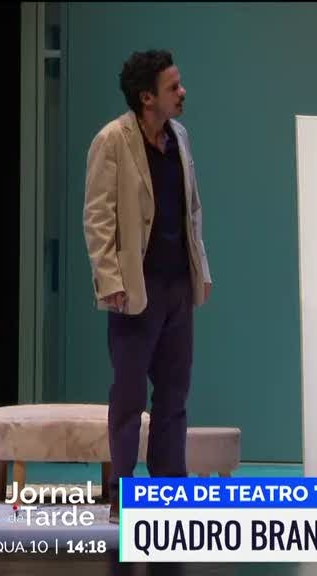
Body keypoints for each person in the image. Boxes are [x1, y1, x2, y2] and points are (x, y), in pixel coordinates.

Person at [83, 50, 212, 523]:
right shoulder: (112, 141)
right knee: (129, 395)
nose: (182, 92)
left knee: (175, 393)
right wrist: (109, 281)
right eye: (173, 87)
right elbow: (98, 218)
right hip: (135, 288)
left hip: (178, 285)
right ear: (146, 97)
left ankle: (168, 488)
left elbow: (192, 209)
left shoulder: (180, 137)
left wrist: (202, 270)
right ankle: (122, 489)